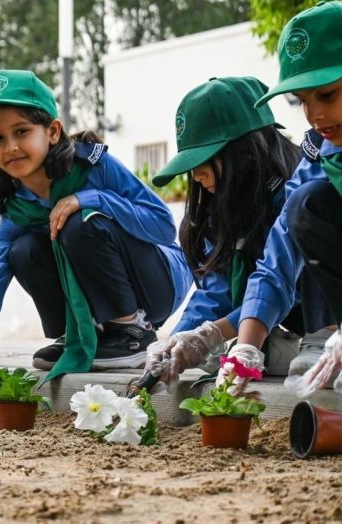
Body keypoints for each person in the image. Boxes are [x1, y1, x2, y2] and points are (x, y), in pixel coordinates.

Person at [0, 70, 192, 383]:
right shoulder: (16, 205)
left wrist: (91, 198)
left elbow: (163, 225)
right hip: (104, 290)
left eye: (21, 131)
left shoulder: (95, 166)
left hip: (157, 283)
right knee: (22, 250)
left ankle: (132, 333)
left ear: (53, 131)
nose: (11, 146)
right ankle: (78, 334)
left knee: (78, 224)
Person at [143, 76, 334, 389]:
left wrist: (219, 332)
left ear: (246, 151)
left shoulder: (301, 189)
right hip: (271, 317)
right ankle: (272, 343)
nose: (197, 175)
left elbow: (289, 277)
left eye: (204, 160)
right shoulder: (226, 205)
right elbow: (218, 287)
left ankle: (318, 336)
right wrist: (184, 336)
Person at [228, 1, 342, 397]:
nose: (314, 115)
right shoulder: (324, 153)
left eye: (326, 94)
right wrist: (246, 345)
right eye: (302, 101)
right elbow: (280, 251)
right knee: (307, 205)